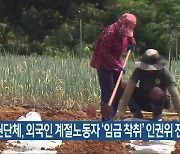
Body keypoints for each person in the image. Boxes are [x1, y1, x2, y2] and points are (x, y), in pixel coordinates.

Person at [90, 13, 137, 121]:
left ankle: (113, 115)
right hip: (104, 63)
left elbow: (130, 37)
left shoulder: (126, 32)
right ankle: (107, 120)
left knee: (117, 90)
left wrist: (132, 43)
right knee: (109, 91)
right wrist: (117, 66)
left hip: (116, 60)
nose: (125, 33)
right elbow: (104, 53)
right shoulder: (110, 34)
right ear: (121, 24)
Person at [114, 49, 180, 120]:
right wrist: (122, 109)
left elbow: (174, 93)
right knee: (122, 86)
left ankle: (157, 117)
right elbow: (129, 89)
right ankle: (137, 115)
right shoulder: (139, 71)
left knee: (156, 91)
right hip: (143, 100)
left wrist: (179, 111)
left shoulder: (164, 73)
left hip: (158, 102)